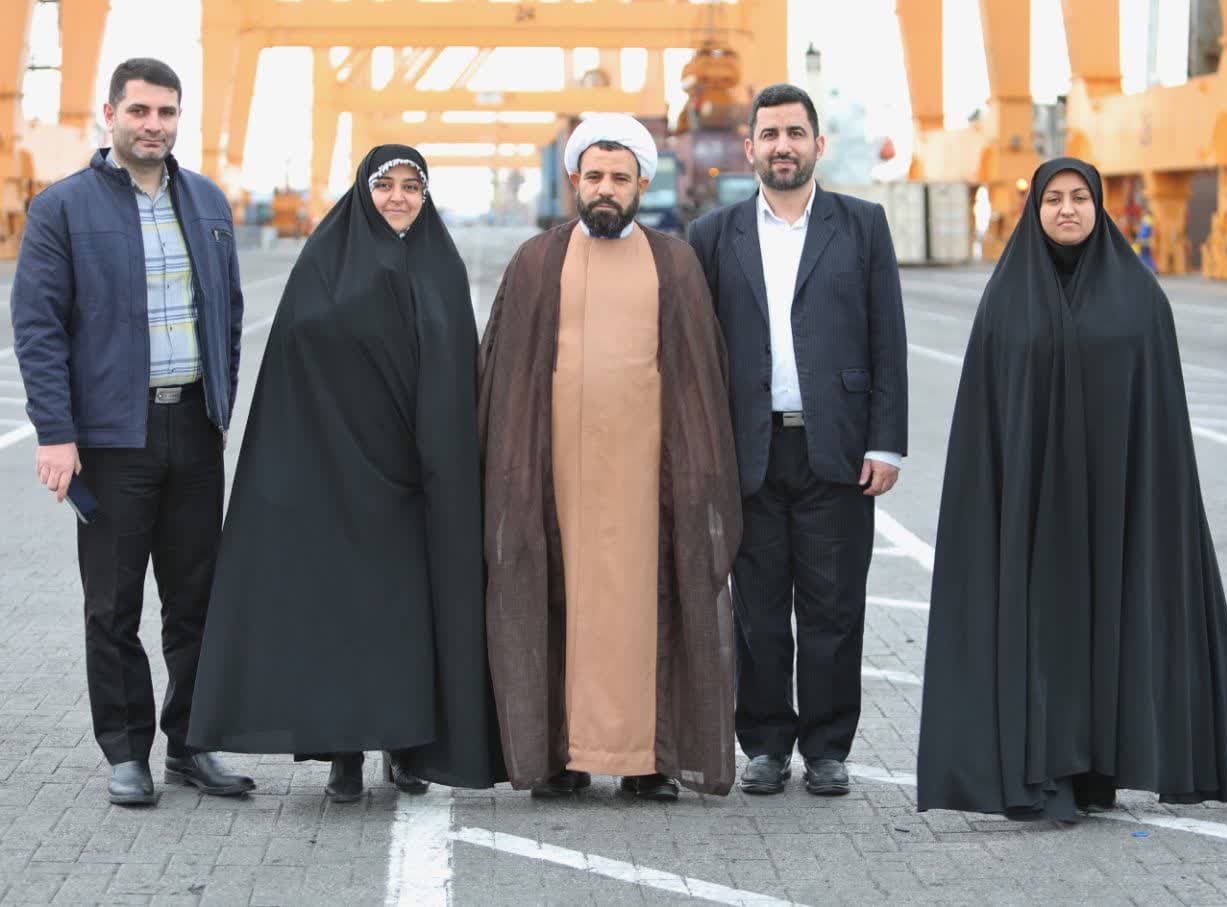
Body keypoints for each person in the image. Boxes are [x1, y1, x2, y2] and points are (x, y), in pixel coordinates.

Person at [917, 157, 1227, 820]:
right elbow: (988, 417)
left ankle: (1106, 762)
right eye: (1052, 199)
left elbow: (1160, 423)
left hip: (1118, 504)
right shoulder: (1006, 301)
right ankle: (1048, 766)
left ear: (1099, 207)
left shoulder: (1142, 300)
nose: (1066, 209)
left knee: (1115, 622)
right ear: (1034, 210)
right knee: (1044, 630)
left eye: (1079, 197)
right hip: (1034, 507)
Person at [187, 145, 506, 802]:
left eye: (411, 186)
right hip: (339, 480)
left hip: (418, 486)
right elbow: (297, 359)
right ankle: (345, 755)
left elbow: (457, 373)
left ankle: (410, 749)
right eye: (385, 185)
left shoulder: (440, 264)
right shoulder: (325, 261)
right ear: (363, 190)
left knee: (413, 624)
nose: (398, 197)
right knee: (345, 622)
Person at [9, 58, 253, 806]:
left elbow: (229, 312)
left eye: (166, 112)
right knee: (112, 605)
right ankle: (126, 752)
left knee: (196, 599)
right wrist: (56, 433)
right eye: (140, 111)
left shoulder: (206, 200)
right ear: (109, 113)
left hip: (194, 429)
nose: (154, 125)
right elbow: (38, 328)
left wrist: (219, 404)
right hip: (113, 439)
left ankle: (192, 744)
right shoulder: (62, 208)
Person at [479, 114, 741, 801]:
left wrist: (699, 474)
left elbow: (699, 378)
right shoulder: (536, 260)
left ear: (642, 185)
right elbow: (504, 373)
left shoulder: (674, 262)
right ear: (574, 180)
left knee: (644, 606)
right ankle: (558, 757)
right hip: (553, 474)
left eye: (619, 178)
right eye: (593, 175)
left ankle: (647, 760)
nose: (605, 188)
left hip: (646, 478)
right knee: (555, 601)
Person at [687, 84, 909, 797]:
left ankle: (827, 747)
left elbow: (887, 338)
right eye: (770, 134)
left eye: (795, 133)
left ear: (818, 144)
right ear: (750, 148)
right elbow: (696, 354)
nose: (783, 146)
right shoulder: (712, 235)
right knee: (757, 612)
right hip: (746, 452)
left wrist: (886, 442)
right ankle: (765, 745)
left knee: (833, 608)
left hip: (836, 450)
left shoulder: (863, 225)